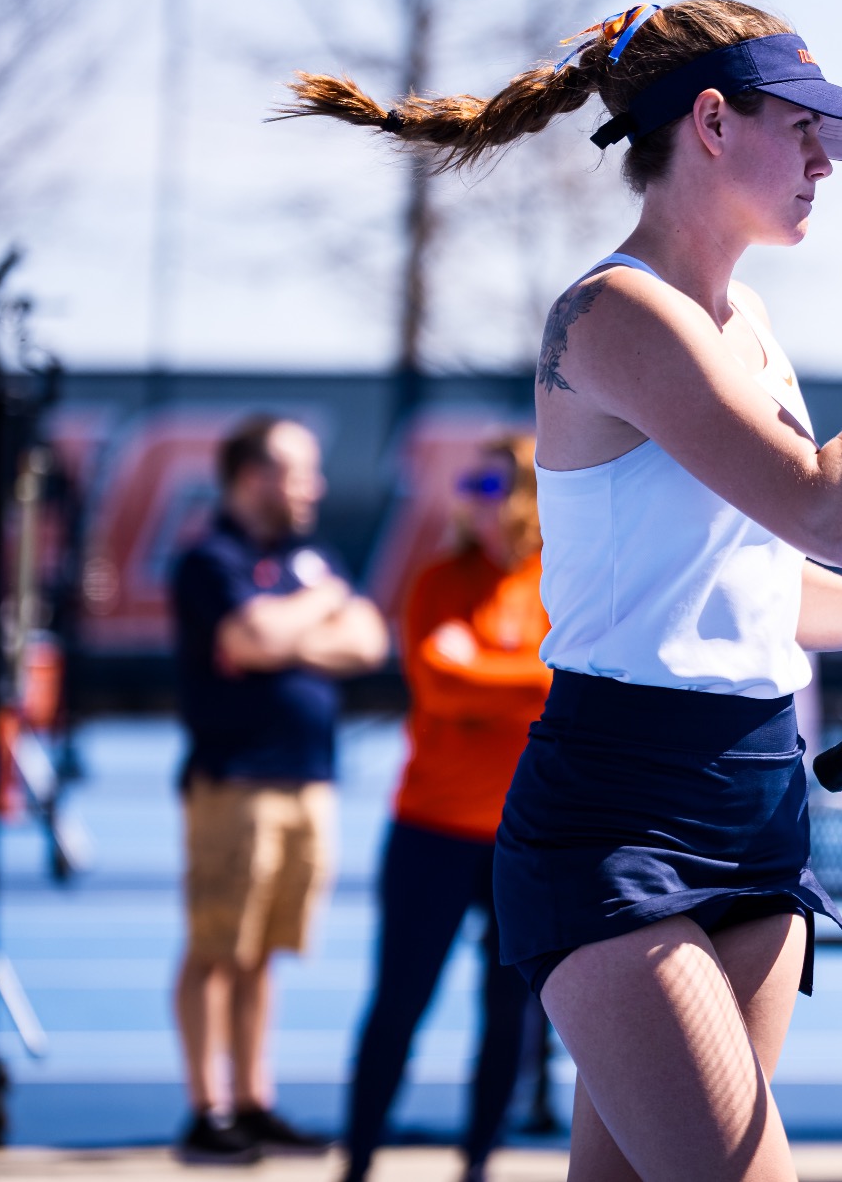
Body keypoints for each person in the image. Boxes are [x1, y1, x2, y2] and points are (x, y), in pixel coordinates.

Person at [286, 0, 842, 1180]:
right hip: (616, 817)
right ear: (709, 120)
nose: (821, 164)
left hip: (756, 800)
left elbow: (763, 585)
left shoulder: (746, 317)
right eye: (801, 129)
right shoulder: (612, 314)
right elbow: (840, 512)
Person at [169, 415, 390, 1163]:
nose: (315, 486)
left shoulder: (310, 557)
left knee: (263, 950)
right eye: (299, 471)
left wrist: (289, 628)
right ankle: (207, 1109)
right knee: (215, 946)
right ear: (253, 476)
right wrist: (311, 613)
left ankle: (254, 1100)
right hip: (236, 781)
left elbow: (368, 638)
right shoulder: (210, 557)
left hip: (309, 779)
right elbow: (250, 640)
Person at [342, 436, 548, 1182]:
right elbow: (439, 686)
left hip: (525, 840)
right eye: (470, 479)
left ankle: (478, 1165)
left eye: (490, 481)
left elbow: (569, 685)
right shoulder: (436, 580)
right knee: (397, 1004)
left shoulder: (565, 581)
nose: (471, 493)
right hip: (429, 828)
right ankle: (358, 1162)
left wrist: (486, 671)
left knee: (510, 1017)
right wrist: (524, 679)